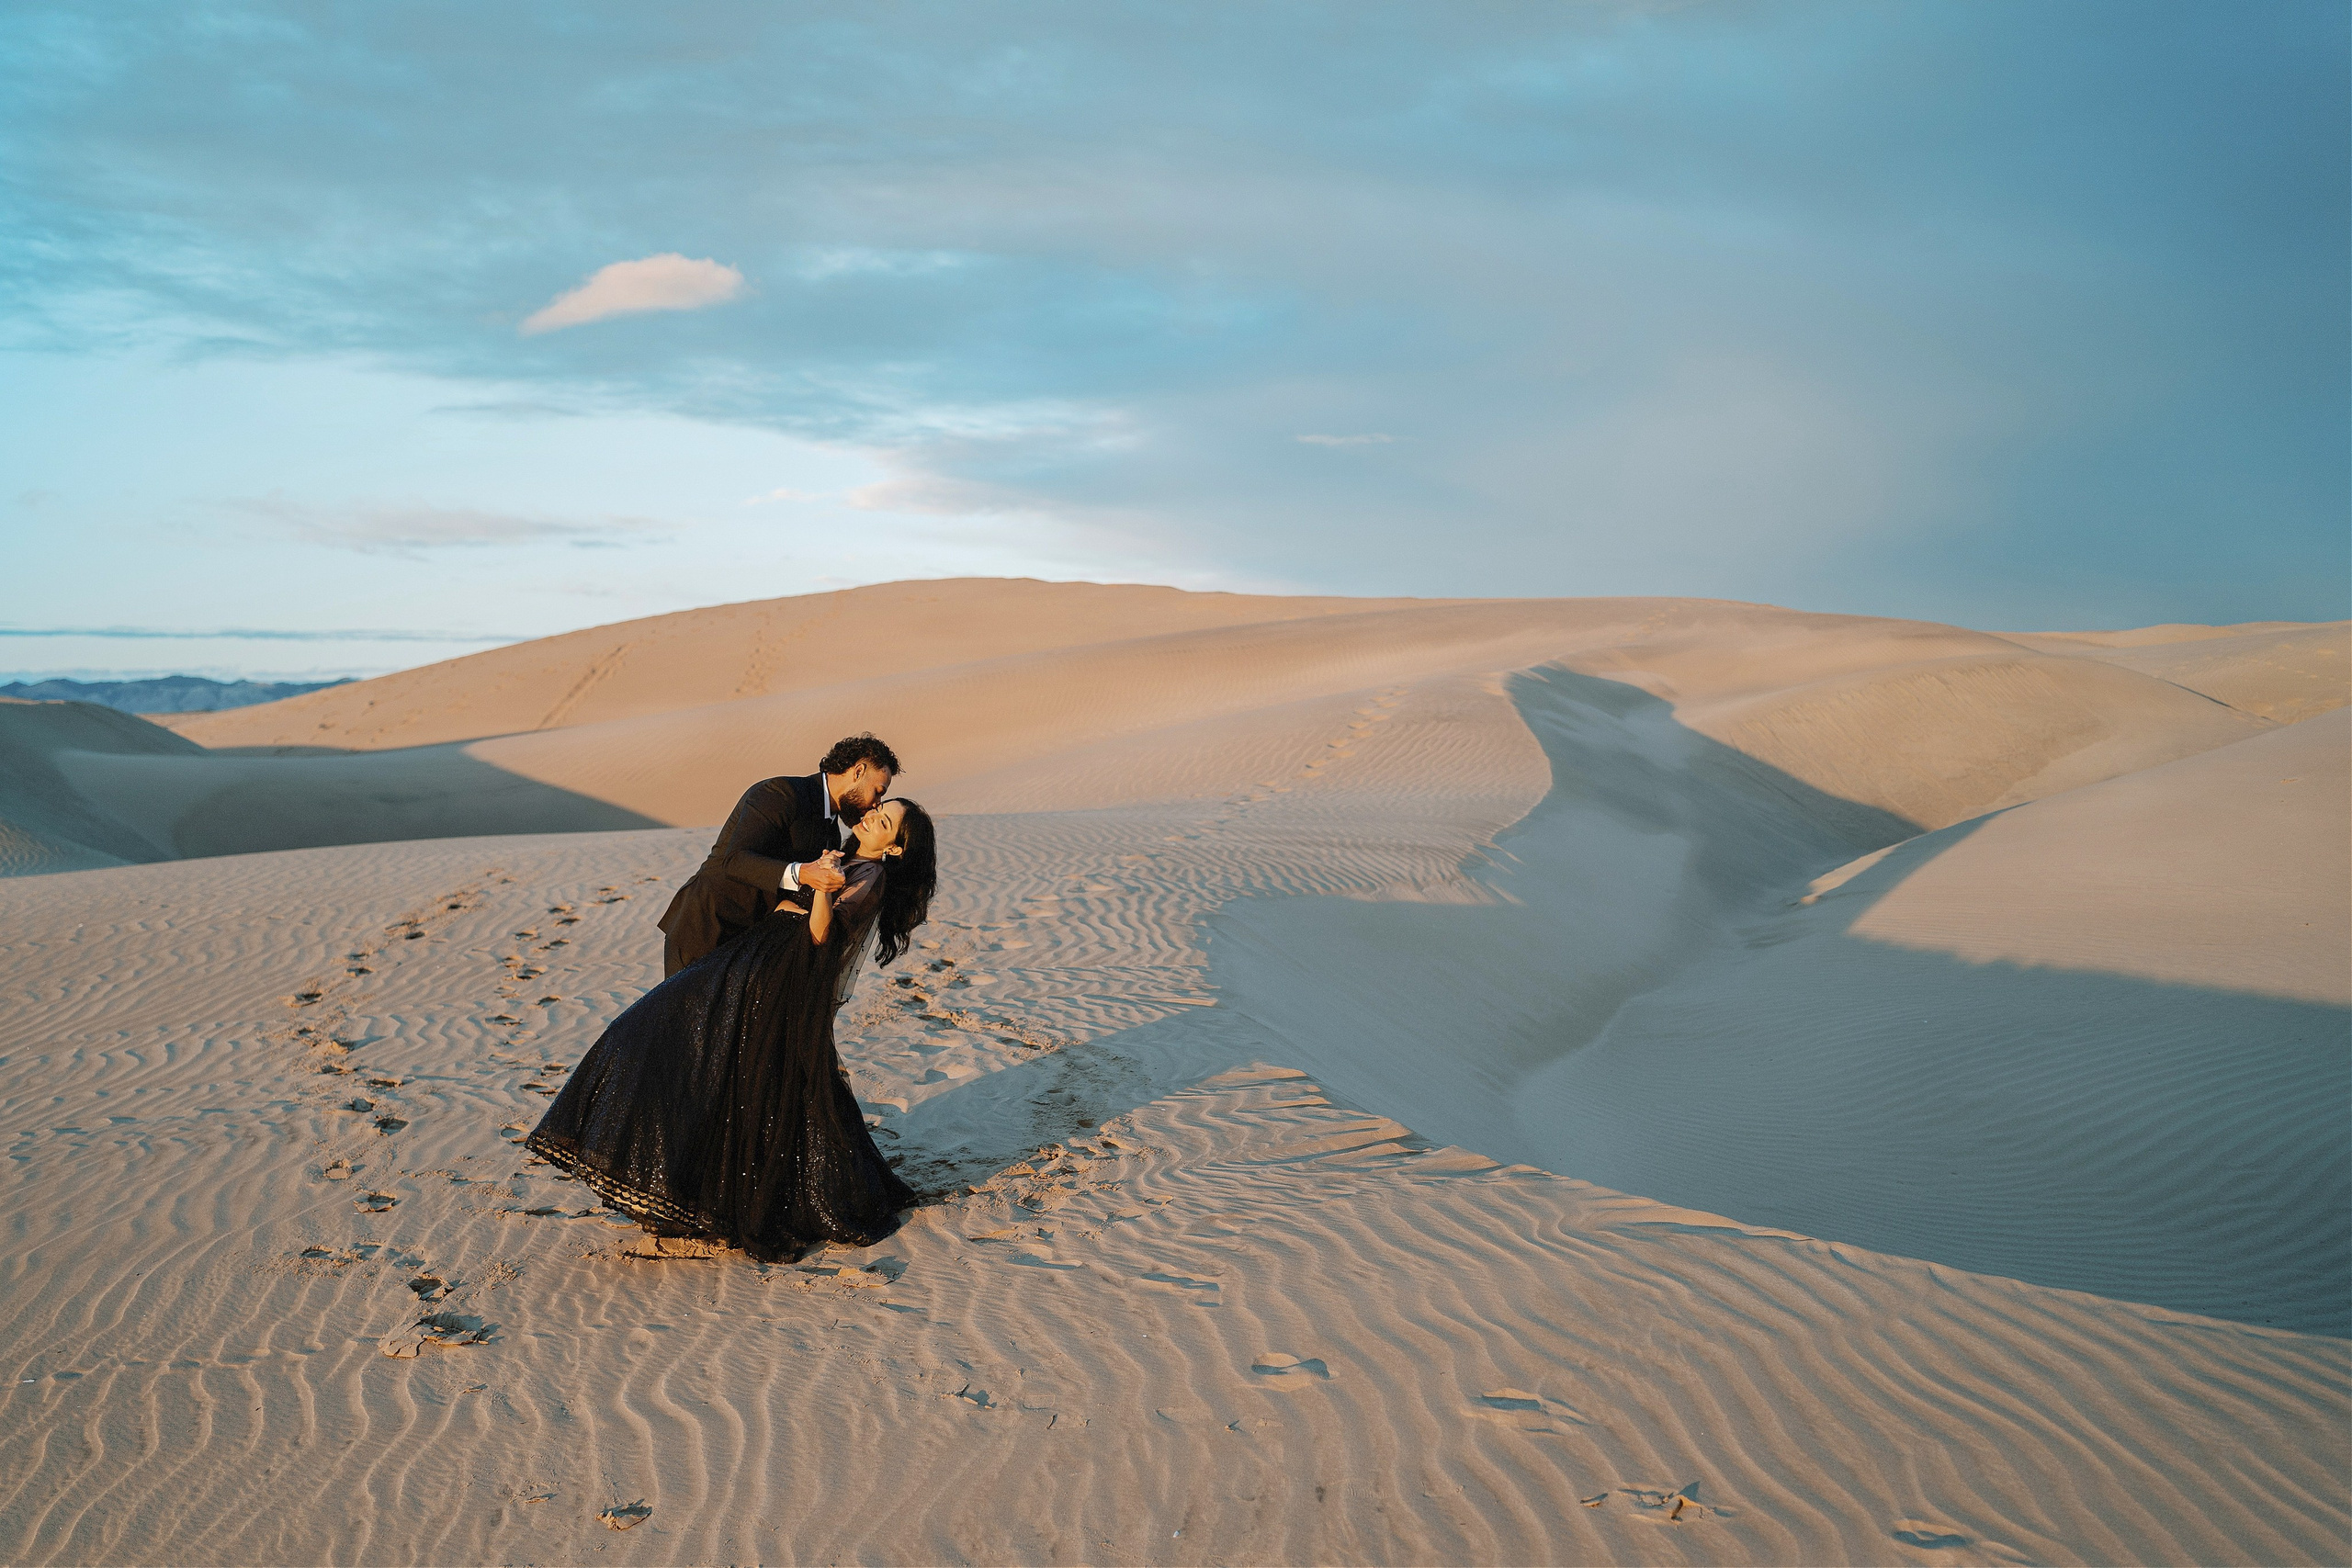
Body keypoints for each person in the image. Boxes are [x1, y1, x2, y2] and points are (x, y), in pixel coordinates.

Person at [526, 796, 939, 1263]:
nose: (869, 816)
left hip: (773, 977)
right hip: (753, 962)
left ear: (896, 849)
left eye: (882, 821)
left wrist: (821, 889)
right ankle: (681, 1185)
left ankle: (699, 1198)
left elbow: (823, 937)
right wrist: (807, 885)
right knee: (693, 1057)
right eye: (876, 808)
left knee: (713, 1066)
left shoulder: (871, 876)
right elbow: (789, 904)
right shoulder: (843, 859)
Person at [656, 734, 900, 977]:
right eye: (878, 791)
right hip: (704, 930)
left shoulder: (831, 834)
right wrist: (804, 873)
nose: (876, 804)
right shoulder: (782, 793)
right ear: (857, 772)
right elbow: (735, 861)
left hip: (746, 947)